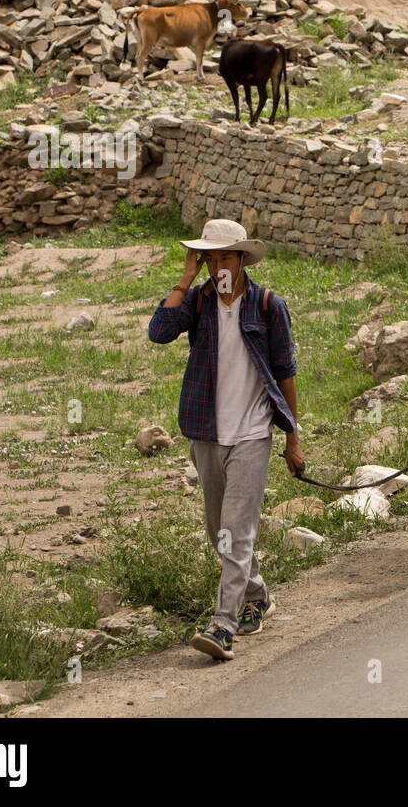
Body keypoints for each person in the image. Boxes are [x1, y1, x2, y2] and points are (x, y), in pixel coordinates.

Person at [147, 218, 303, 661]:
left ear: (241, 260)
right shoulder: (197, 303)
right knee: (218, 531)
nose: (219, 265)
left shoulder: (269, 306)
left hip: (253, 433)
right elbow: (158, 332)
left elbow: (286, 375)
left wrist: (293, 439)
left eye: (226, 257)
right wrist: (185, 277)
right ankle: (257, 596)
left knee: (235, 533)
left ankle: (222, 626)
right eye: (210, 257)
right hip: (206, 433)